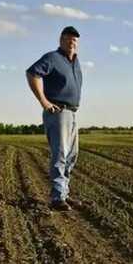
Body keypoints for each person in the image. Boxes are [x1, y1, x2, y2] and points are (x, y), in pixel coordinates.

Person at [25, 25, 83, 211]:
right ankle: (57, 198)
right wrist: (44, 102)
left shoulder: (75, 62)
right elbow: (32, 73)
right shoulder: (53, 58)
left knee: (72, 155)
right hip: (58, 112)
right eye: (68, 39)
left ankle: (63, 193)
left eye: (75, 40)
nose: (72, 43)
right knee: (60, 154)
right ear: (61, 40)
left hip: (72, 112)